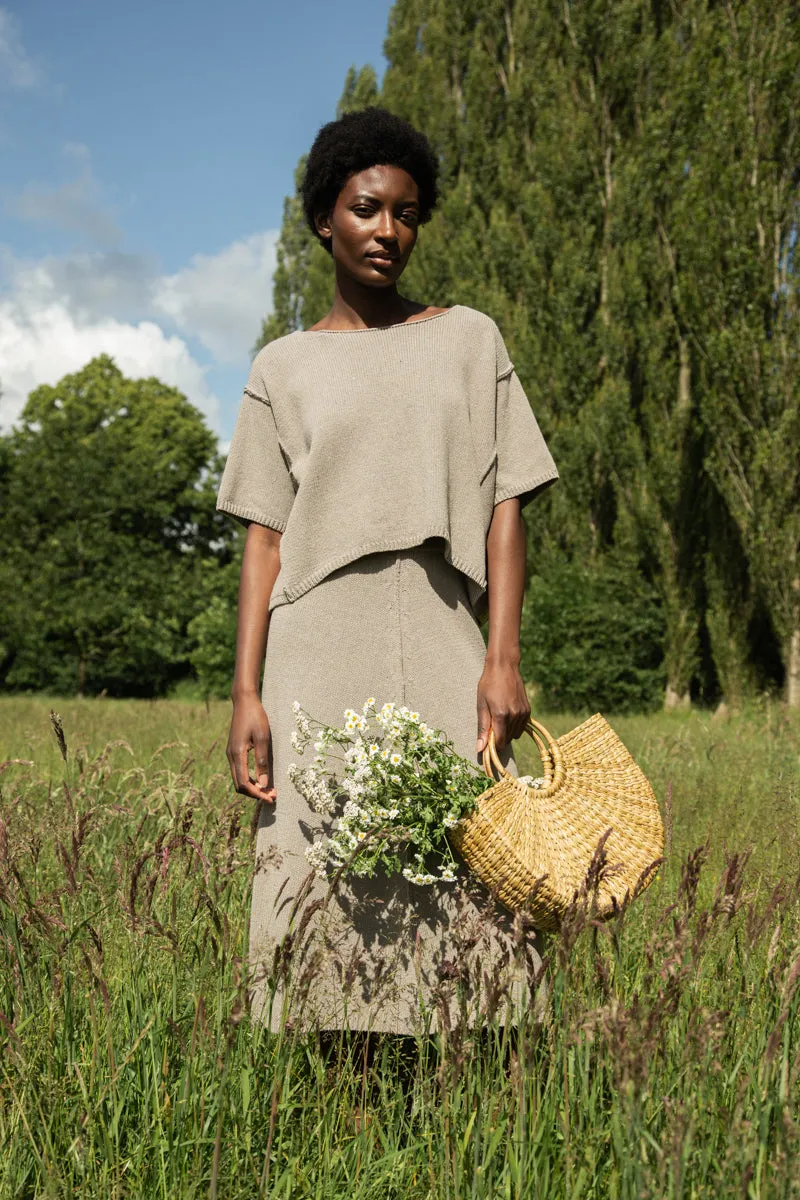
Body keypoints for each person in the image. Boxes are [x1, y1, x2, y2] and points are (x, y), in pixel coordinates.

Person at [216, 106, 559, 1035]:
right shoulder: (281, 367)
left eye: (407, 214)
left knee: (469, 854)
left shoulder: (470, 340)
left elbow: (506, 507)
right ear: (325, 217)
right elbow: (264, 540)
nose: (388, 231)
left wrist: (502, 657)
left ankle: (470, 1087)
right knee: (321, 859)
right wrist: (246, 693)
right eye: (367, 209)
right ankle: (342, 1093)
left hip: (449, 628)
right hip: (317, 647)